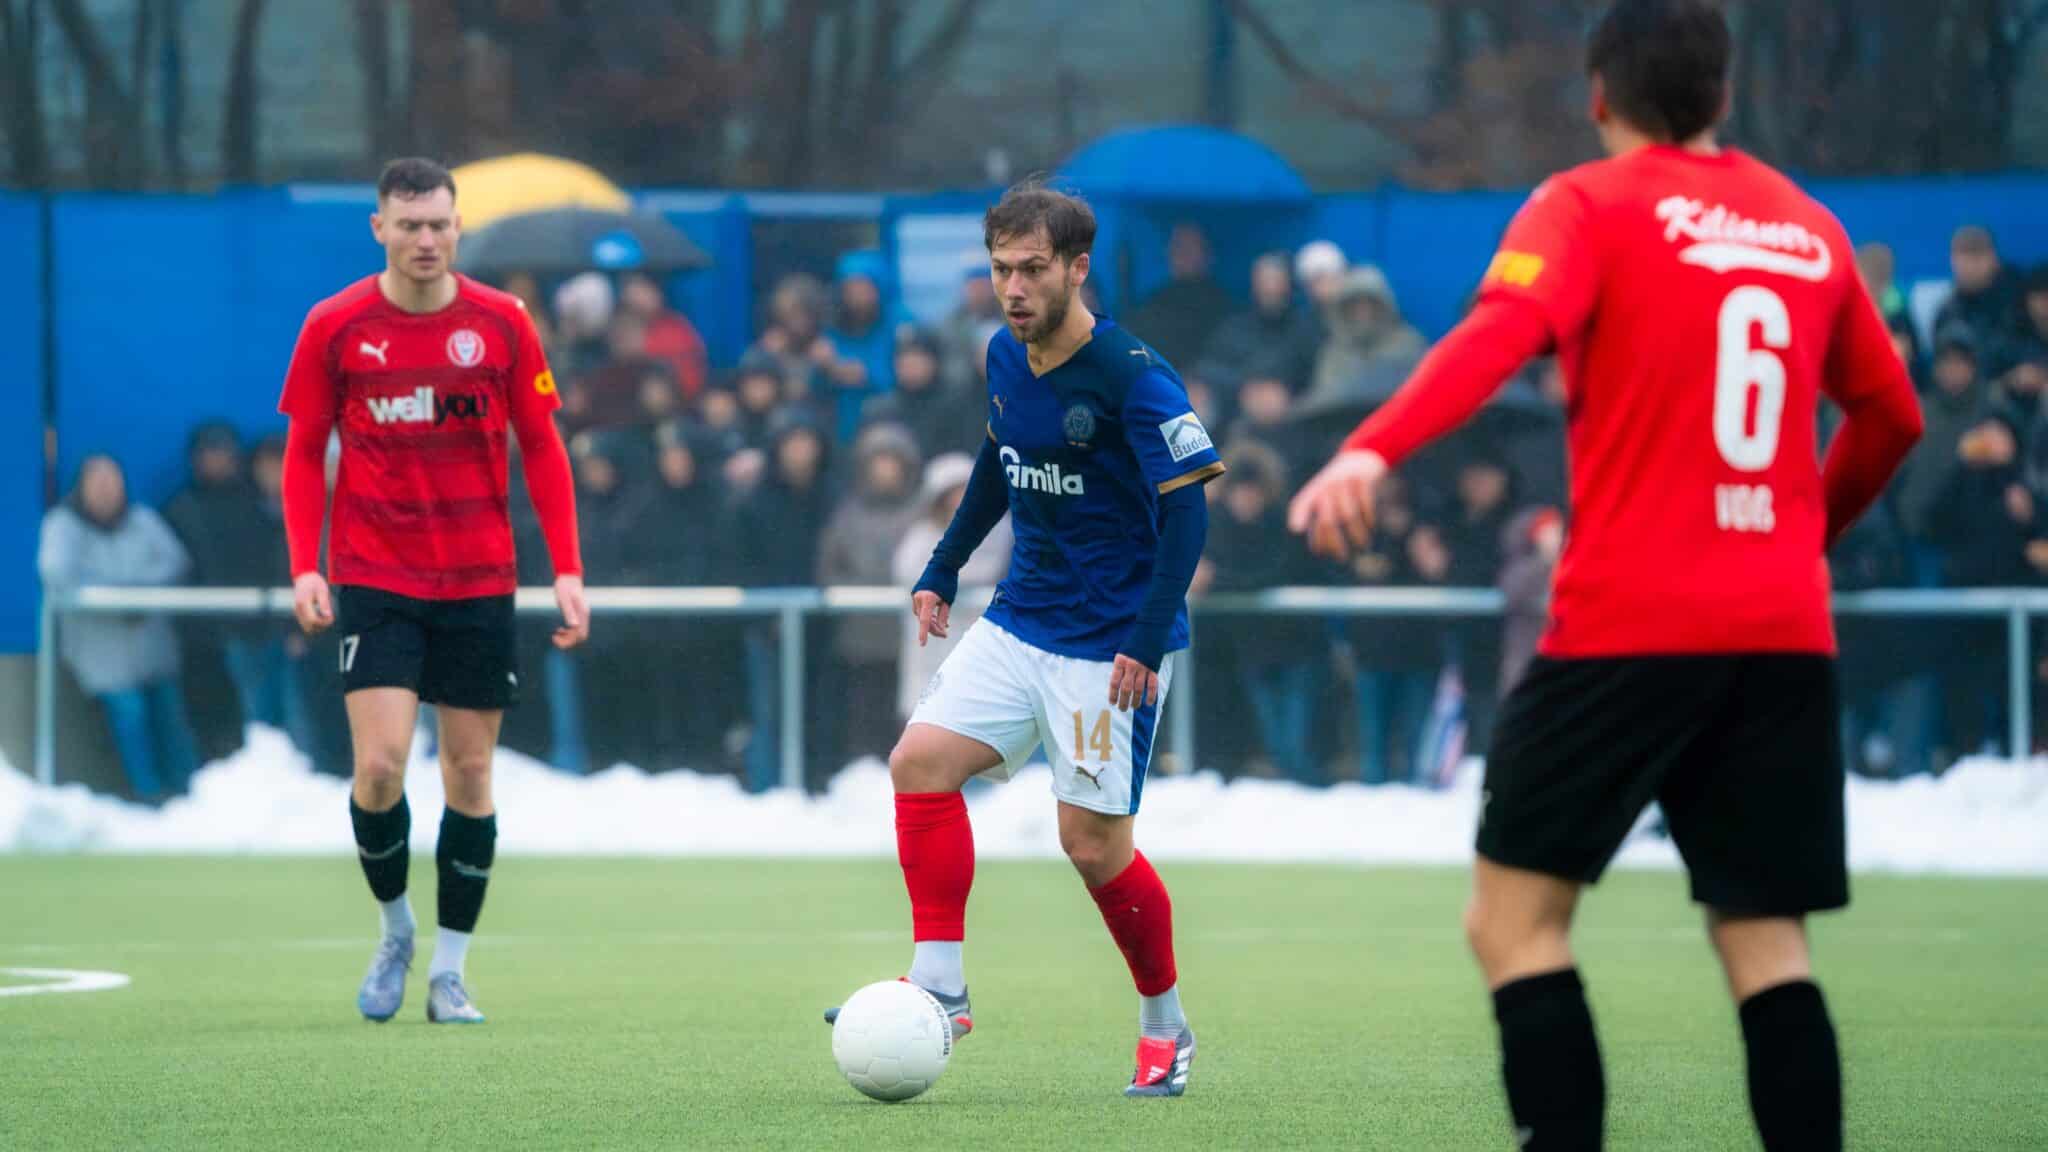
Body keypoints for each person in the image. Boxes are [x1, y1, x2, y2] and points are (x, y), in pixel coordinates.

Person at [1287, 4, 1923, 1148]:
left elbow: (1496, 333)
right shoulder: (1805, 226)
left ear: (1596, 95)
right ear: (1722, 96)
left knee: (1515, 924)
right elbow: (1890, 414)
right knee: (1765, 942)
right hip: (1778, 633)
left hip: (1626, 626)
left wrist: (1370, 444)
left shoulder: (1583, 204)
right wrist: (1798, 534)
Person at [823, 182, 1225, 1099]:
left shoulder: (1135, 374)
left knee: (1091, 846)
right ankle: (940, 982)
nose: (1014, 287)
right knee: (919, 762)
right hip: (1020, 615)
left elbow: (1189, 519)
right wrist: (942, 566)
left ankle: (1165, 1024)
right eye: (1002, 268)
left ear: (1077, 269)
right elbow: (997, 469)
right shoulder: (1006, 355)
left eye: (1032, 269)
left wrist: (1148, 633)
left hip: (1108, 644)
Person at [278, 157, 588, 1027]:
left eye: (439, 224)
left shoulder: (500, 322)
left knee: (470, 770)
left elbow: (544, 446)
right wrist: (307, 562)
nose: (425, 239)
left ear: (458, 228)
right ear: (378, 227)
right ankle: (395, 929)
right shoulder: (335, 324)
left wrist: (566, 568)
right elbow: (305, 454)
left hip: (480, 579)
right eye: (408, 224)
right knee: (378, 768)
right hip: (374, 575)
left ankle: (451, 971)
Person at [39, 455, 202, 803]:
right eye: (97, 483)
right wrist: (117, 595)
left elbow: (175, 562)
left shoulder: (142, 520)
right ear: (81, 487)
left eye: (112, 482)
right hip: (103, 655)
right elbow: (58, 573)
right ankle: (147, 798)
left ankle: (190, 800)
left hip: (152, 649)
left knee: (172, 723)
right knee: (131, 721)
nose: (106, 491)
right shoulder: (63, 525)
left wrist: (138, 594)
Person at [892, 452, 1013, 726]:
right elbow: (908, 571)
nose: (959, 500)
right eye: (952, 492)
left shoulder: (1000, 532)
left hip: (982, 642)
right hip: (932, 645)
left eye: (965, 490)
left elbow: (992, 568)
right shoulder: (920, 537)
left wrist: (951, 576)